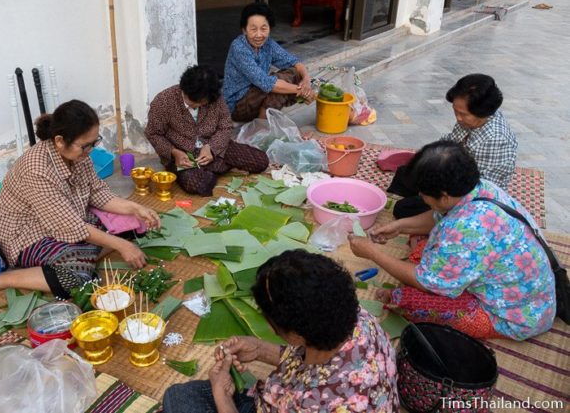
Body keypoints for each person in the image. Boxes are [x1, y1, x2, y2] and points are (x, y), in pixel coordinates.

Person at [350, 141, 555, 340]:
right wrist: (400, 226)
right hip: (526, 288)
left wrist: (372, 253)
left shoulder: (465, 228)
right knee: (421, 244)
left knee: (407, 301)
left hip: (514, 315)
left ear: (445, 196)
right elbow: (438, 216)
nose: (420, 197)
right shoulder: (480, 188)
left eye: (423, 194)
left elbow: (426, 282)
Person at [162, 250, 399, 413]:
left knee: (178, 397)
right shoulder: (358, 317)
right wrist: (260, 349)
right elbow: (315, 363)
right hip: (294, 397)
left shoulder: (312, 402)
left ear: (297, 336)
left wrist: (222, 396)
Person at [0, 100, 160, 299]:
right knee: (77, 278)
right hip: (26, 235)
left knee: (132, 224)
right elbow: (71, 226)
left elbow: (97, 193)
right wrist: (121, 246)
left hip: (67, 218)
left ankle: (85, 252)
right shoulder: (37, 170)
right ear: (60, 140)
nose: (91, 150)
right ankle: (3, 279)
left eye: (94, 142)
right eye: (85, 145)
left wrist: (134, 208)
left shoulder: (79, 154)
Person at [389, 74, 518, 219]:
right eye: (455, 111)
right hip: (450, 175)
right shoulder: (472, 119)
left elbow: (474, 190)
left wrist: (434, 187)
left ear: (482, 112)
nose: (458, 118)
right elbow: (449, 142)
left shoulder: (495, 139)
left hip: (467, 198)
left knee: (403, 209)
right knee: (404, 173)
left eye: (462, 114)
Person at [146, 65, 269, 196]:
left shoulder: (214, 97)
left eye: (203, 103)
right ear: (184, 90)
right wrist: (174, 152)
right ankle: (212, 169)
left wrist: (210, 147)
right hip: (183, 156)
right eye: (193, 102)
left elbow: (225, 126)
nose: (198, 106)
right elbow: (153, 133)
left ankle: (210, 168)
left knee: (261, 161)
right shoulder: (163, 101)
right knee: (199, 185)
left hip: (216, 146)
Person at [223, 2, 315, 123]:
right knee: (277, 85)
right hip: (237, 105)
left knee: (295, 73)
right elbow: (266, 82)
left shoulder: (268, 44)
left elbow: (294, 62)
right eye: (253, 29)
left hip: (256, 96)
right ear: (244, 30)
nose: (259, 34)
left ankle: (263, 119)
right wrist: (302, 91)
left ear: (269, 28)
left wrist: (306, 81)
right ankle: (262, 126)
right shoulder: (238, 47)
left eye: (263, 28)